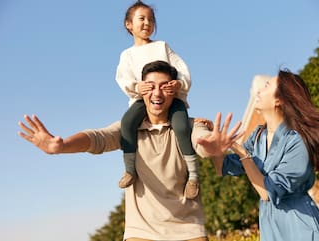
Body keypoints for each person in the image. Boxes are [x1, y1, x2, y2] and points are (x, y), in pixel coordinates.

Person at [18, 60, 243, 241]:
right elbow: (98, 138)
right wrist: (62, 145)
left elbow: (202, 141)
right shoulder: (129, 128)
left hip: (187, 230)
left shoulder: (192, 125)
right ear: (141, 91)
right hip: (141, 231)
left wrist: (213, 148)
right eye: (151, 86)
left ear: (174, 92)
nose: (157, 93)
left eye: (165, 86)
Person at [197, 70, 319, 241]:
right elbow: (223, 167)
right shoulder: (258, 136)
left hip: (300, 225)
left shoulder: (297, 142)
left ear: (278, 100)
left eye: (266, 87)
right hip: (271, 226)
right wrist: (217, 145)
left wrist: (240, 151)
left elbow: (268, 191)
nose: (258, 92)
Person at [116, 0, 199, 199]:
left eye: (151, 20)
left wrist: (178, 83)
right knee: (127, 123)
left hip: (170, 98)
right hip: (143, 100)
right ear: (129, 24)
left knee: (181, 126)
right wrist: (137, 86)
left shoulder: (162, 46)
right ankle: (130, 170)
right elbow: (123, 78)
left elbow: (182, 69)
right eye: (141, 19)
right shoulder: (127, 55)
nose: (147, 23)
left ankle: (194, 176)